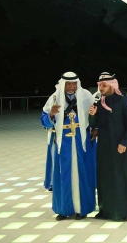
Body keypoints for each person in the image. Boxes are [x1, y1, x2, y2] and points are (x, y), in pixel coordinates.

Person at [40, 72, 96, 220]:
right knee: (62, 173)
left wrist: (95, 127)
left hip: (81, 139)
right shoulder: (54, 98)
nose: (71, 86)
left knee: (83, 172)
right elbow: (44, 121)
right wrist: (51, 114)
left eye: (74, 83)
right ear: (63, 84)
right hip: (62, 140)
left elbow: (96, 116)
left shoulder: (86, 96)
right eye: (68, 84)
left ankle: (82, 209)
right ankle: (64, 209)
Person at [89, 73, 127, 222]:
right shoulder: (98, 103)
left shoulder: (124, 101)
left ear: (112, 85)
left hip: (120, 146)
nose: (100, 88)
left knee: (121, 177)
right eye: (99, 85)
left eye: (103, 85)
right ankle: (105, 210)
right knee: (104, 178)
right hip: (104, 147)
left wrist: (124, 142)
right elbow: (94, 126)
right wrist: (92, 116)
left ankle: (125, 210)